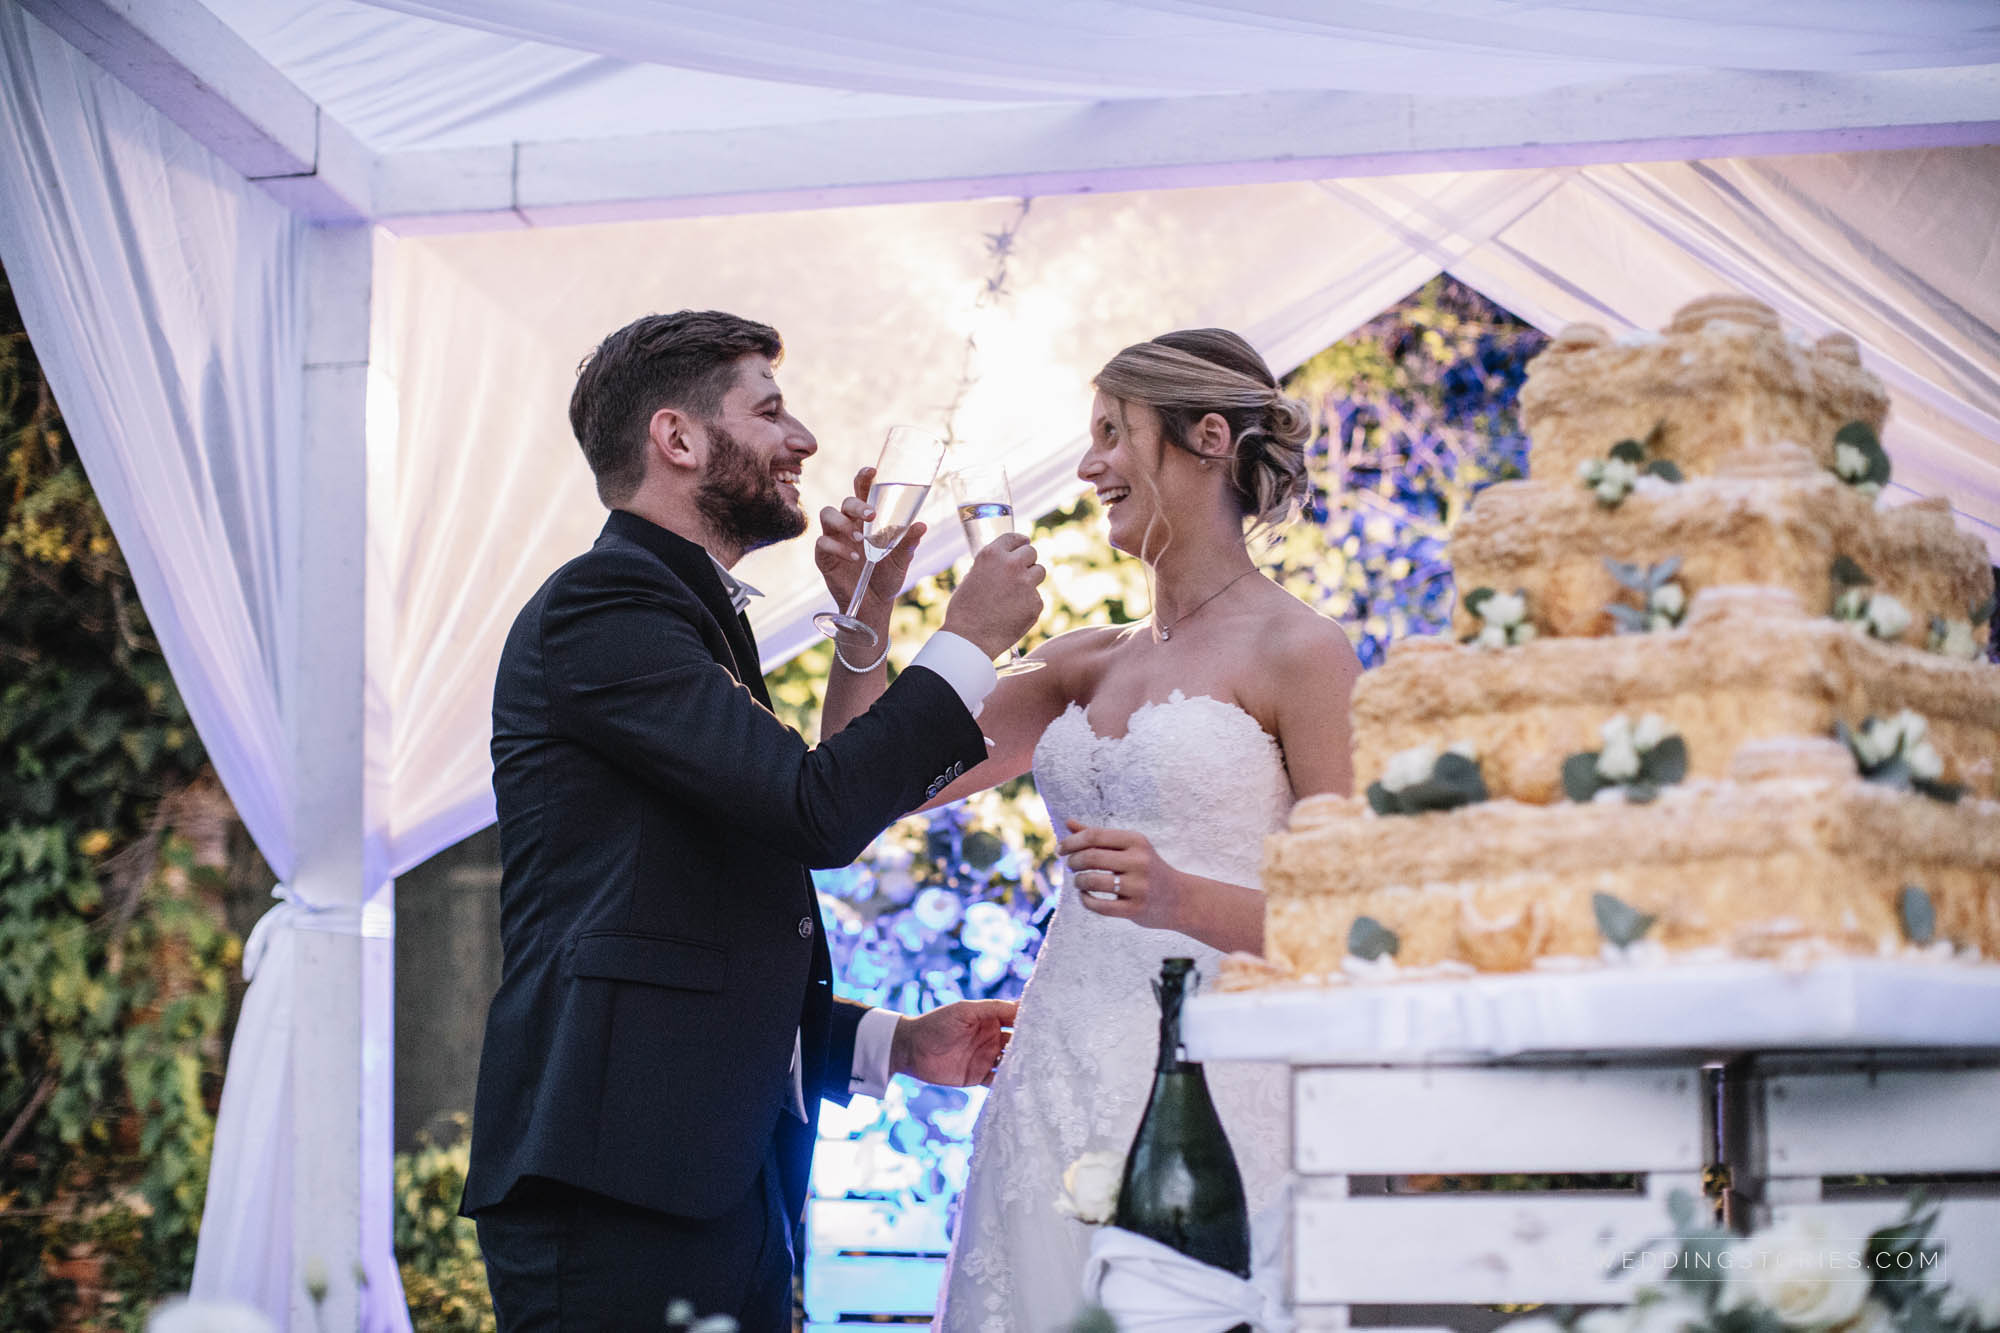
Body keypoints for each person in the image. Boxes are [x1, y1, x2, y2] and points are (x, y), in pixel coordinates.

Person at [460, 310, 1047, 1332]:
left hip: (712, 1184)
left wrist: (892, 1045)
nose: (806, 441)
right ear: (678, 439)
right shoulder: (603, 607)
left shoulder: (691, 618)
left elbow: (702, 939)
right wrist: (963, 642)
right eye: (770, 410)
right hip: (615, 1193)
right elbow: (813, 810)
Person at [819, 328, 1360, 1331]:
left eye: (1112, 433)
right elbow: (851, 785)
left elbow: (1354, 928)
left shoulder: (1304, 652)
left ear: (1206, 439)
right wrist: (865, 613)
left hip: (1212, 1100)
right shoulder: (1081, 663)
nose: (1087, 465)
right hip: (1048, 1087)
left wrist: (1179, 898)